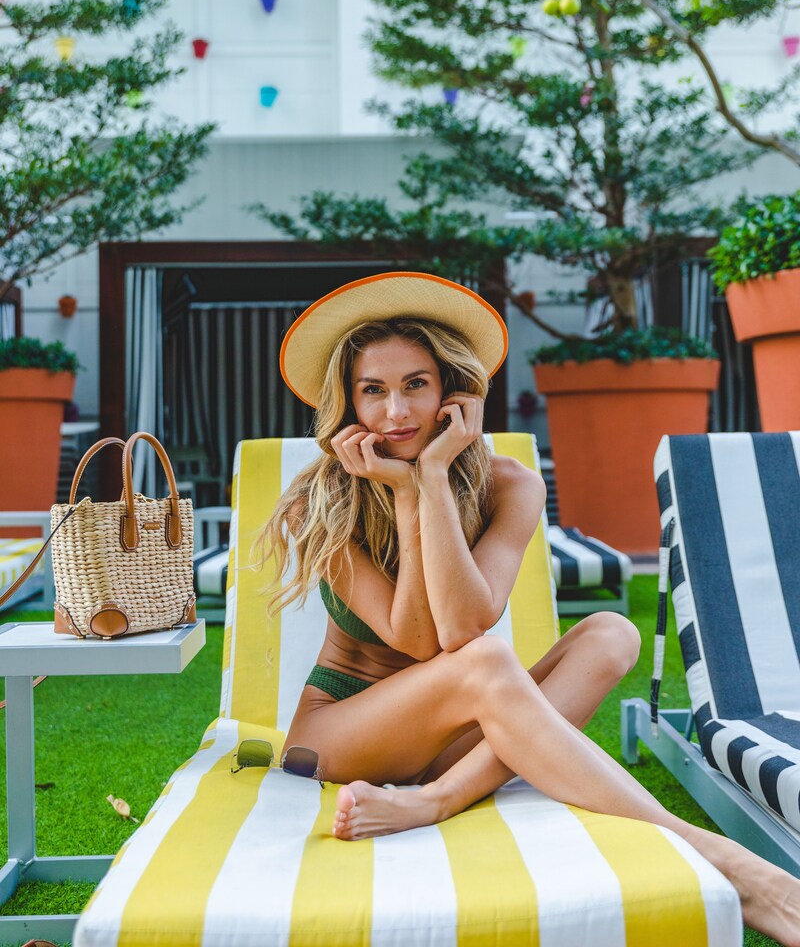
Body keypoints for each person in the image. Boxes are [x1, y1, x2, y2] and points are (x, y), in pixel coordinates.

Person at [262, 271, 800, 945]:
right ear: (348, 402)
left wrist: (431, 477)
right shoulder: (323, 501)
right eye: (373, 391)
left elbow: (464, 622)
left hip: (449, 735)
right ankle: (728, 864)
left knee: (611, 633)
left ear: (451, 394)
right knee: (486, 660)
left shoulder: (509, 483)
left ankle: (439, 798)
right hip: (339, 733)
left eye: (415, 386)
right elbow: (428, 639)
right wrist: (405, 495)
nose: (395, 412)